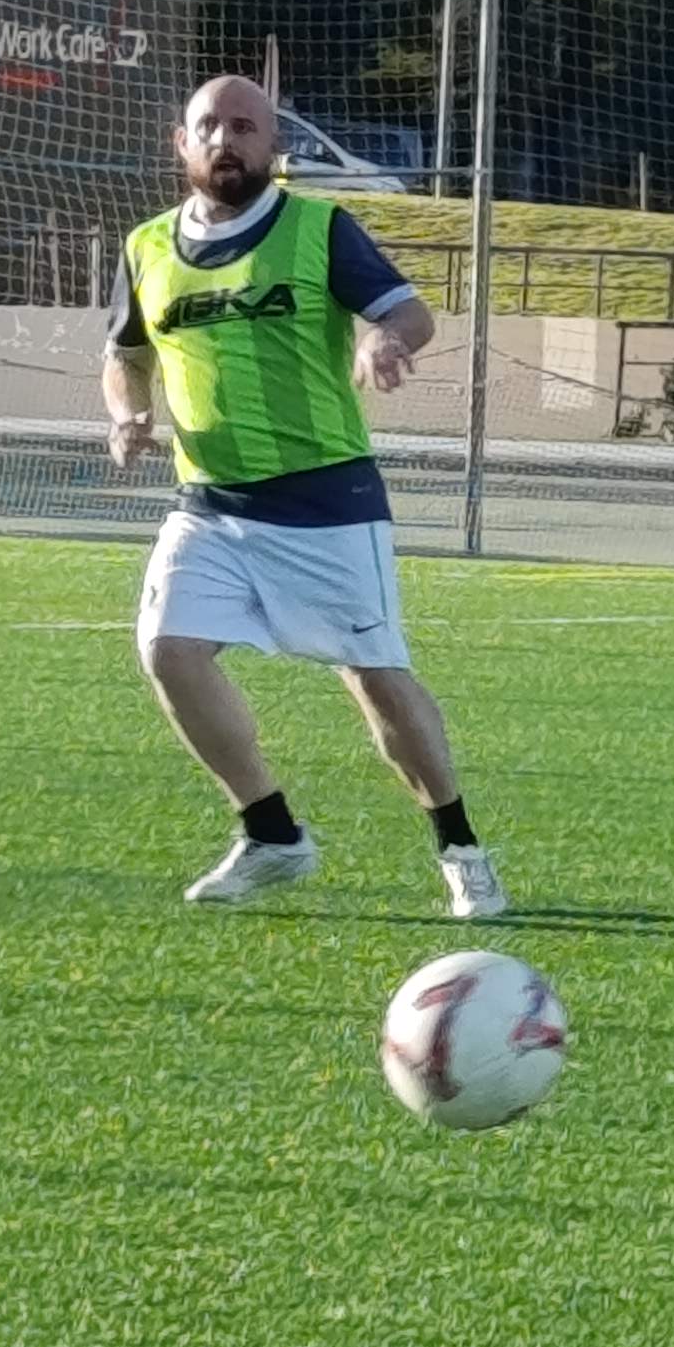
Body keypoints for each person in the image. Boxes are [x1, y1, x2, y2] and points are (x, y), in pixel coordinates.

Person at [102, 74, 502, 914]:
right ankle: (272, 833)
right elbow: (126, 355)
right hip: (209, 502)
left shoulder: (319, 227)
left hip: (326, 498)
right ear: (181, 143)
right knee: (168, 649)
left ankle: (461, 848)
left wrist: (384, 341)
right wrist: (128, 411)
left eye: (245, 126)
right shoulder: (146, 246)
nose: (226, 140)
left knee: (374, 676)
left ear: (275, 146)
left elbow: (411, 313)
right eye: (209, 126)